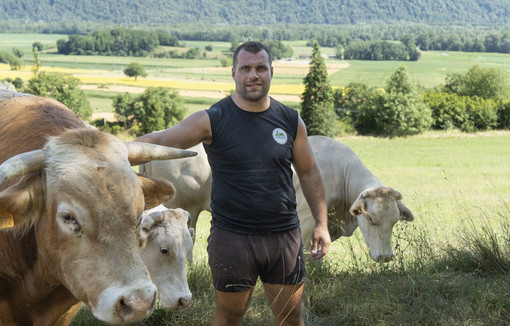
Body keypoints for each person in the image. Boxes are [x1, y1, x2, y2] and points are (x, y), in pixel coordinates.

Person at [135, 41, 331, 326]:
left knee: (291, 318)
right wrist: (112, 150)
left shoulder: (290, 121)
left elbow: (310, 172)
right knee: (228, 318)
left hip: (284, 237)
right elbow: (163, 139)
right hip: (233, 239)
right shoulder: (213, 119)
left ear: (271, 72)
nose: (254, 74)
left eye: (261, 68)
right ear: (234, 73)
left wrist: (322, 225)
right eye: (246, 68)